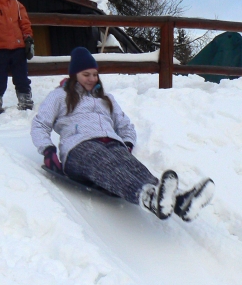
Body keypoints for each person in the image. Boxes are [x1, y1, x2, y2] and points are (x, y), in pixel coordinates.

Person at [31, 47, 215, 221]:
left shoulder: (106, 99)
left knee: (135, 168)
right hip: (79, 147)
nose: (91, 79)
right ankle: (148, 198)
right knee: (107, 165)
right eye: (85, 75)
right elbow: (40, 124)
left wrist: (126, 144)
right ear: (74, 75)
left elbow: (125, 125)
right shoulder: (59, 96)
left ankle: (180, 200)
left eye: (94, 74)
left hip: (111, 143)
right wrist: (48, 151)